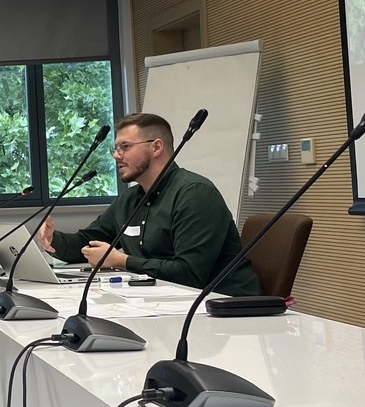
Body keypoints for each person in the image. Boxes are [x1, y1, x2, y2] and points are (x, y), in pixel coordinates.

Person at [34, 111, 261, 296]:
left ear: (156, 147)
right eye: (115, 148)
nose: (116, 155)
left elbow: (189, 274)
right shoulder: (130, 199)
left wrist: (122, 261)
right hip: (163, 302)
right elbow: (87, 243)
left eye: (125, 147)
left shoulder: (195, 194)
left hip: (225, 309)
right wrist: (53, 239)